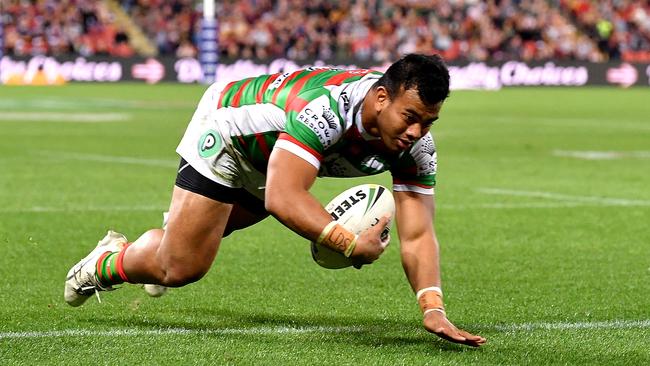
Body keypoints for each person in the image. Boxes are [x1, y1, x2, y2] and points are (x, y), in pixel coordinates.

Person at [64, 54, 486, 347]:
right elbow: (285, 197)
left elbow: (417, 233)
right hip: (230, 133)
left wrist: (432, 307)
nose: (416, 132)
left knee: (188, 242)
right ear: (380, 99)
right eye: (409, 117)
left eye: (427, 122)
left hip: (276, 156)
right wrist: (345, 240)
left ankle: (169, 239)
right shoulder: (328, 111)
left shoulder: (416, 148)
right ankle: (106, 261)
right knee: (180, 267)